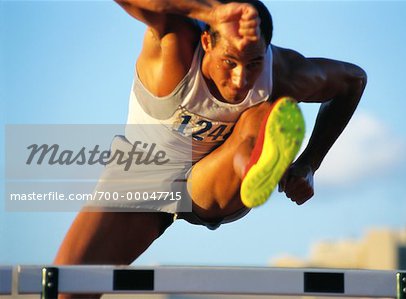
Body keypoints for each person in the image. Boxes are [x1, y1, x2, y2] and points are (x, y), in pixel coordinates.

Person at [54, 0, 366, 297]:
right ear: (206, 42)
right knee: (66, 287)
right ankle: (255, 162)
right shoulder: (174, 44)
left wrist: (309, 163)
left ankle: (256, 166)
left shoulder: (281, 73)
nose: (241, 78)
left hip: (214, 178)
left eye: (254, 63)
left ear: (266, 52)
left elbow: (353, 80)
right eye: (229, 62)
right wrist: (204, 9)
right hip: (141, 176)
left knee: (269, 109)